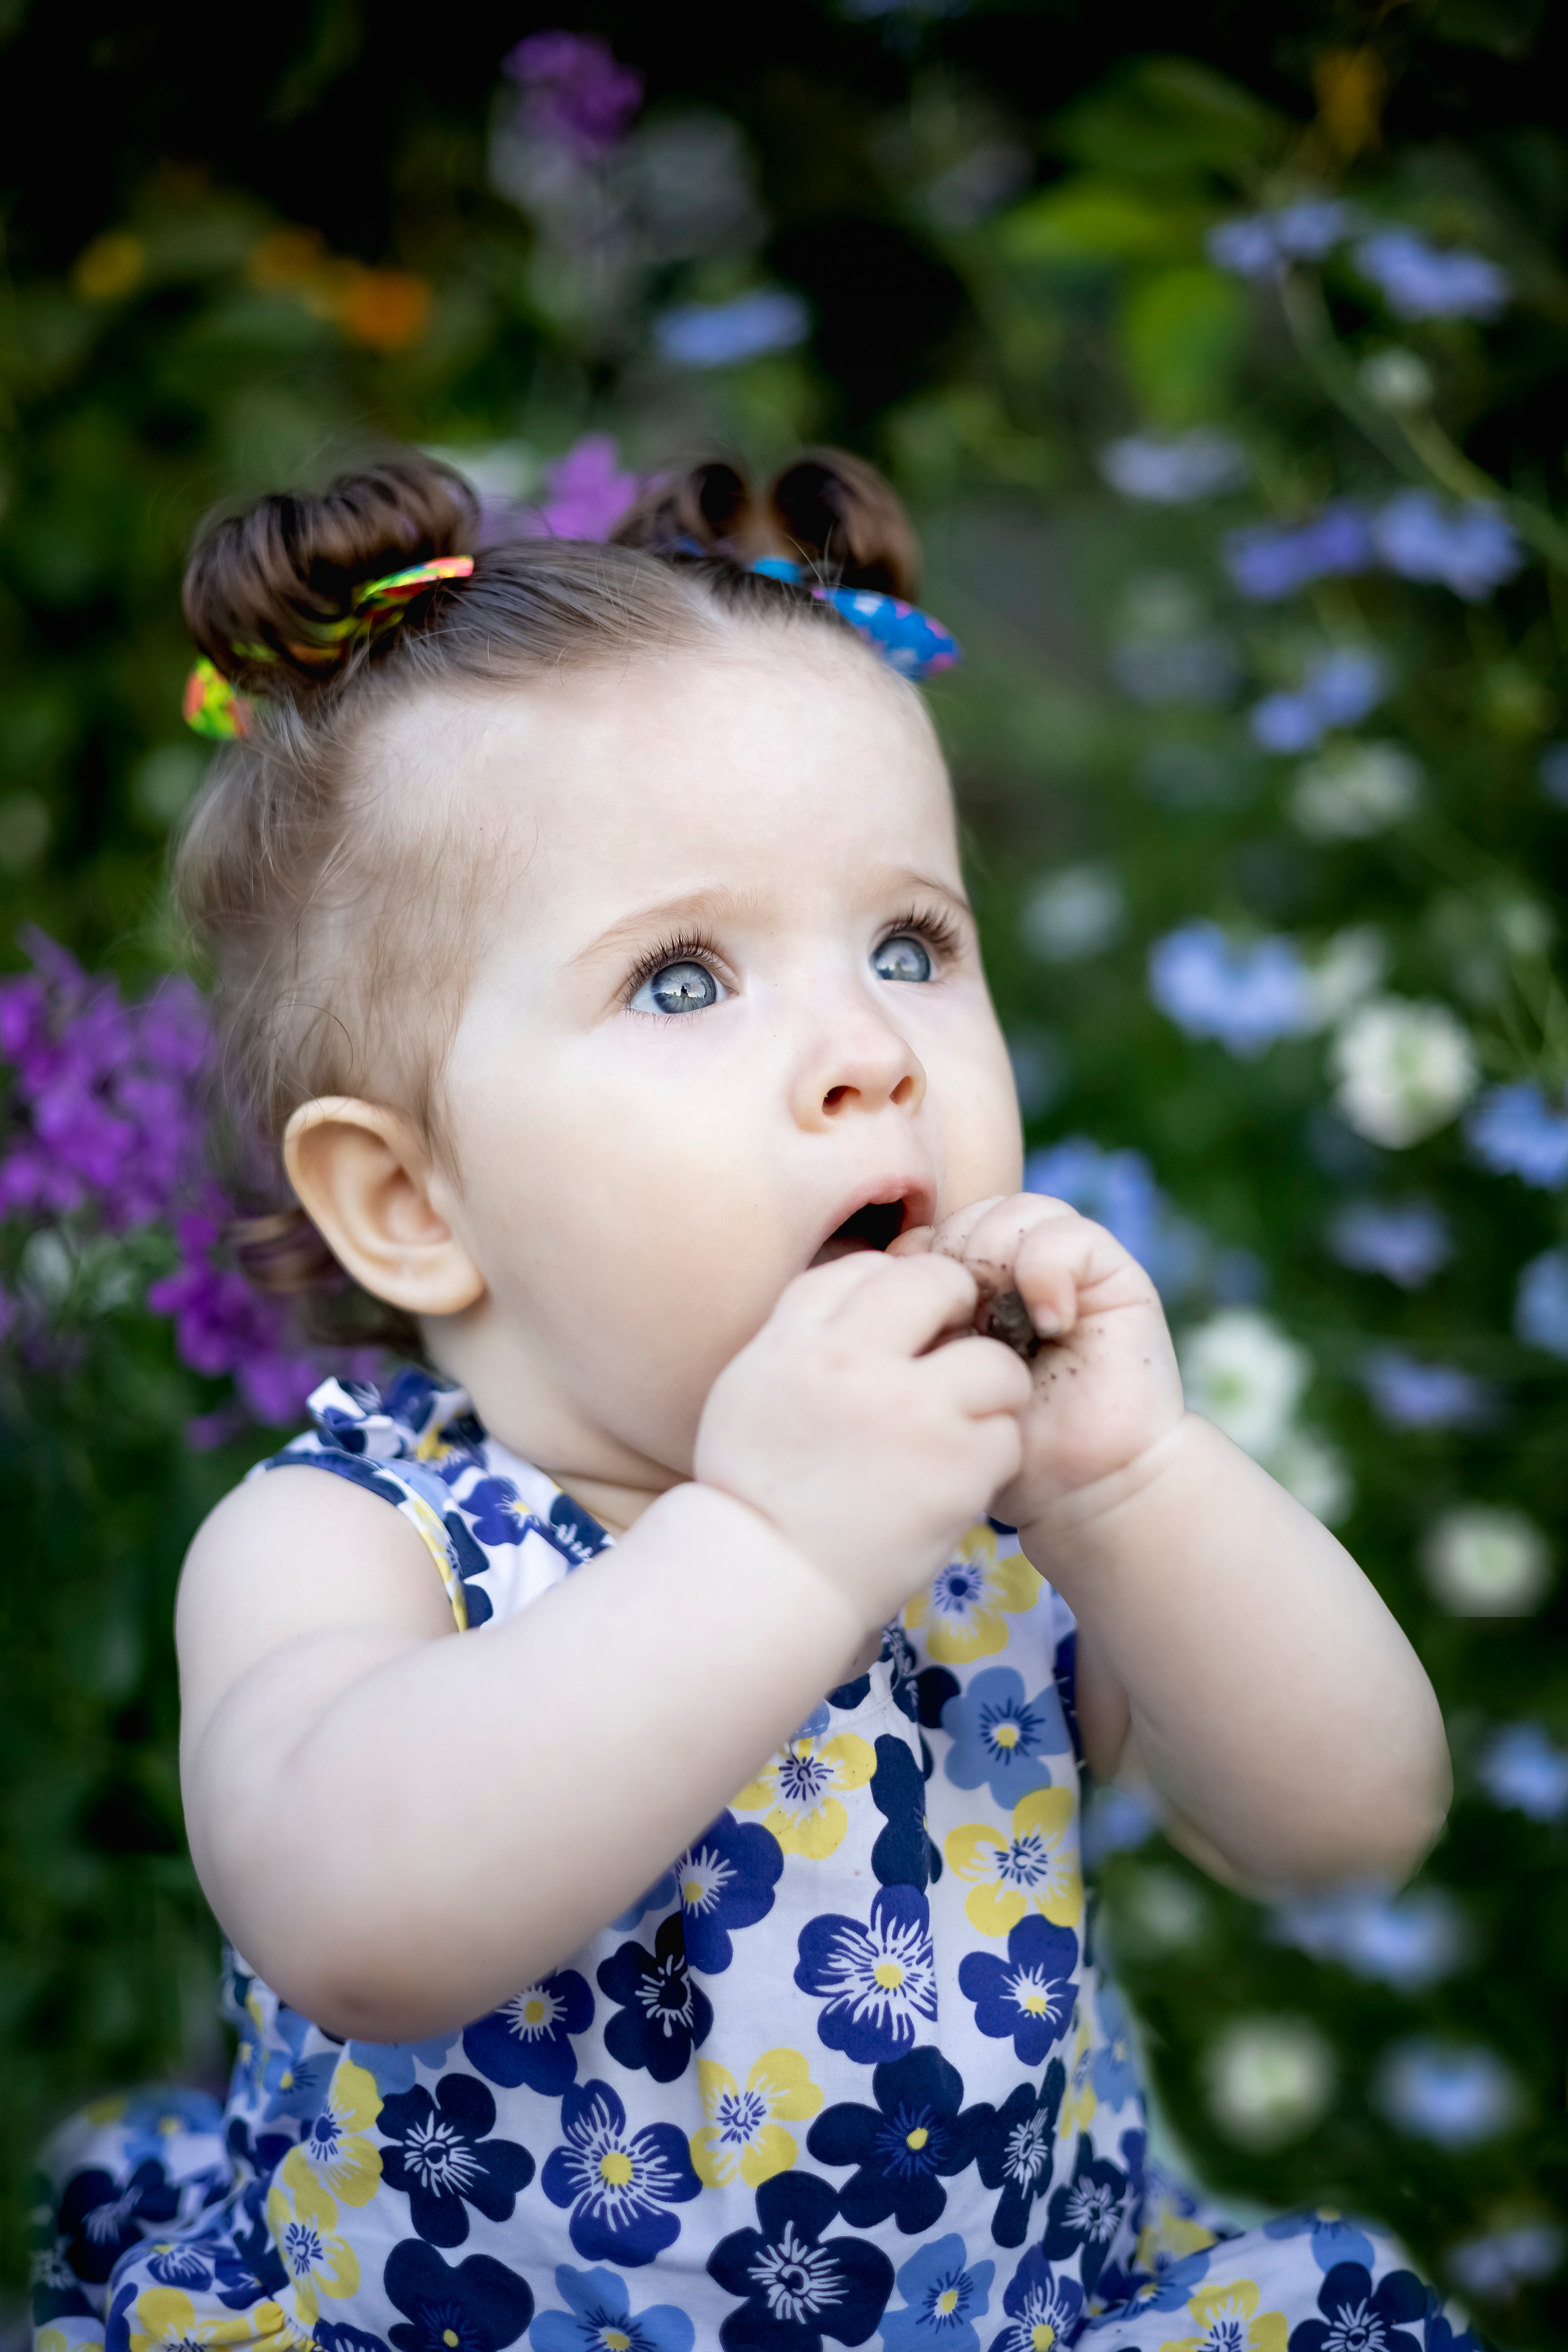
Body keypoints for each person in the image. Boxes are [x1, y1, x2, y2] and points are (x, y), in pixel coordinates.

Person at [34, 449, 1476, 2352]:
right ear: (413, 1200)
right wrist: (777, 1544)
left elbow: (1348, 1827)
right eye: (685, 978)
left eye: (910, 946)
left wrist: (1135, 1480)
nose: (871, 1055)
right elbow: (358, 1925)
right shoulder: (347, 1546)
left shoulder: (1009, 1524)